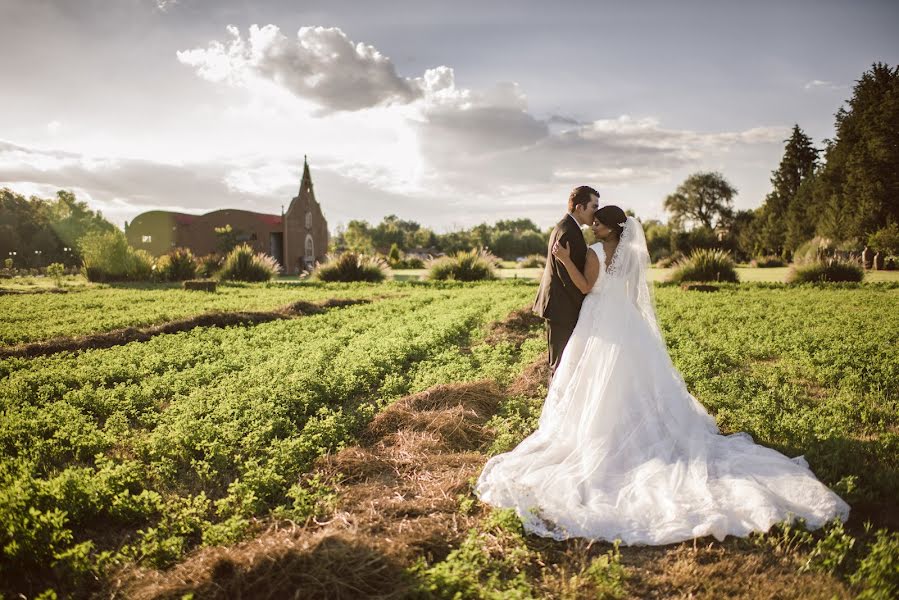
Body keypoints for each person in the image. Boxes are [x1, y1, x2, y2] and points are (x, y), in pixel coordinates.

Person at [475, 207, 850, 545]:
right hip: (628, 322)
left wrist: (564, 261)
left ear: (608, 229)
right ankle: (633, 425)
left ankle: (604, 431)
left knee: (593, 380)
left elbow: (587, 287)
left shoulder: (591, 254)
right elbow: (634, 295)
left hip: (600, 320)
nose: (594, 226)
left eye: (598, 223)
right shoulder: (634, 254)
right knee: (636, 380)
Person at [532, 185, 599, 383]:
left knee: (565, 362)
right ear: (580, 207)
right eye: (593, 206)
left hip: (562, 305)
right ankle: (556, 409)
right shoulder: (568, 232)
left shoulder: (568, 227)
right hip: (563, 307)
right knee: (560, 364)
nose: (596, 212)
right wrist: (588, 304)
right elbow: (568, 278)